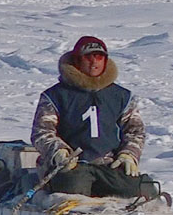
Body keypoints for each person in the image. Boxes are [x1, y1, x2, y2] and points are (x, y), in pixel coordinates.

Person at [31, 36, 159, 199]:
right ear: (77, 61)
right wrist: (59, 151)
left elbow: (135, 131)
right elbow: (42, 132)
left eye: (99, 57)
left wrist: (128, 154)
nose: (94, 62)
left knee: (131, 189)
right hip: (71, 165)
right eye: (88, 57)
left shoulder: (121, 96)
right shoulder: (55, 96)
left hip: (109, 165)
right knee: (73, 188)